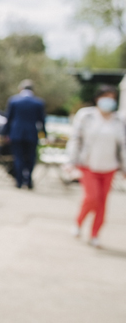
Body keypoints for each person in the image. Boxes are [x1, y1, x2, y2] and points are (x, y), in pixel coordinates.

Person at [66, 85, 126, 248]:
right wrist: (71, 162)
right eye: (106, 96)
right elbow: (75, 139)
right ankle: (78, 222)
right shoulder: (86, 116)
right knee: (92, 198)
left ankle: (95, 234)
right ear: (98, 98)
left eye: (112, 98)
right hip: (88, 165)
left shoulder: (119, 120)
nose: (109, 101)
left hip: (109, 167)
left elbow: (123, 146)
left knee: (102, 202)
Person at [3, 80, 46, 189]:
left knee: (18, 158)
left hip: (16, 134)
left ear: (21, 89)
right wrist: (44, 134)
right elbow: (42, 121)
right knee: (31, 158)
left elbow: (9, 119)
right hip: (32, 134)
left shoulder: (14, 100)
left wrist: (5, 133)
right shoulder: (38, 102)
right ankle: (29, 180)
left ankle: (19, 181)